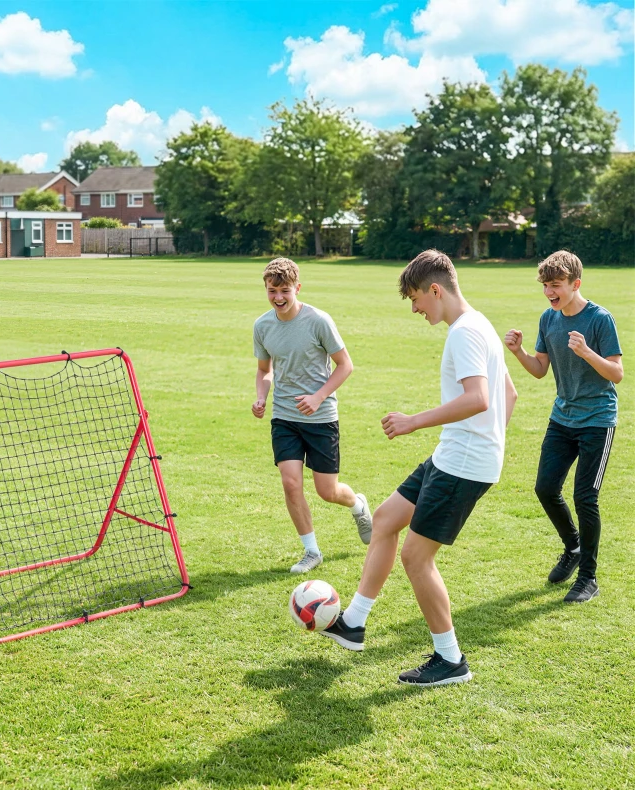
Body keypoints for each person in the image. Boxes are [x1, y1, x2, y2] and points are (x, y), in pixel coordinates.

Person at [320, 250, 517, 687]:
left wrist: (414, 422)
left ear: (435, 289)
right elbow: (511, 395)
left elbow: (480, 399)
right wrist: (490, 442)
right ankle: (353, 623)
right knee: (386, 519)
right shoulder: (480, 322)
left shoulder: (464, 333)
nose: (415, 309)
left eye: (415, 299)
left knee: (416, 556)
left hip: (463, 463)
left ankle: (450, 660)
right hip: (455, 455)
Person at [504, 250, 623, 603]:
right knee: (545, 488)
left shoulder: (600, 319)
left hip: (598, 420)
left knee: (585, 496)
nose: (548, 293)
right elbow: (540, 369)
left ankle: (588, 577)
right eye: (545, 286)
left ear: (575, 284)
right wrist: (519, 352)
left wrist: (587, 352)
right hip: (562, 418)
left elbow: (616, 373)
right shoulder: (549, 318)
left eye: (555, 286)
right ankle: (573, 547)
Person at [252, 257, 373, 574]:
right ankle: (312, 551)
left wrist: (319, 397)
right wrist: (261, 397)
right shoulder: (262, 326)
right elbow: (264, 370)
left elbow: (345, 364)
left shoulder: (319, 320)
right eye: (272, 290)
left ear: (297, 288)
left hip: (321, 419)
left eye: (285, 290)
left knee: (327, 491)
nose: (278, 297)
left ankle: (358, 504)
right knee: (291, 483)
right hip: (285, 417)